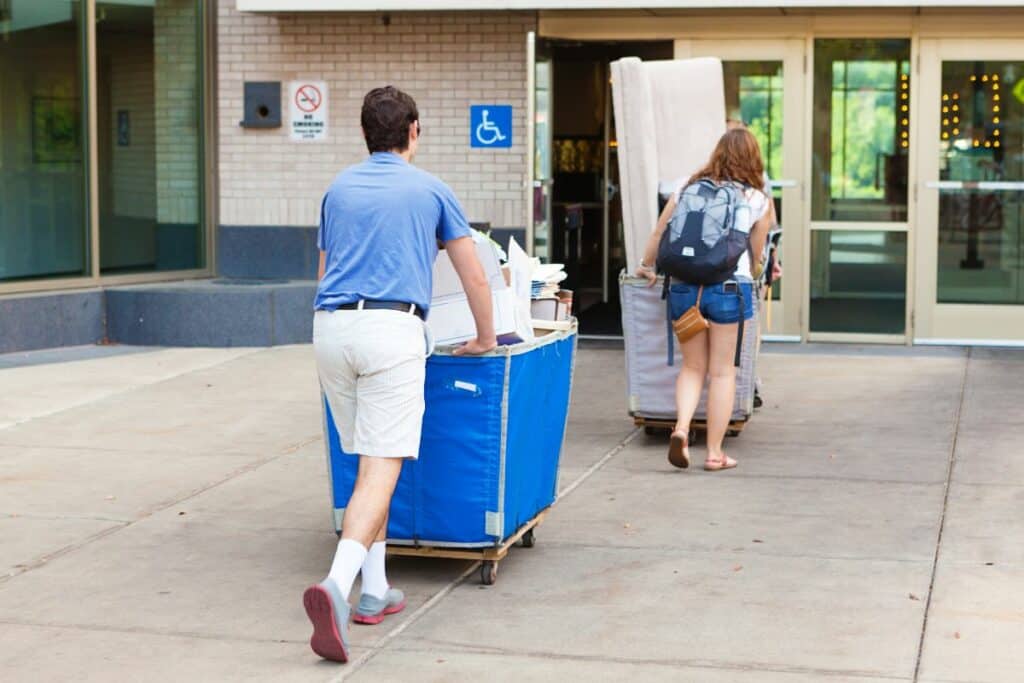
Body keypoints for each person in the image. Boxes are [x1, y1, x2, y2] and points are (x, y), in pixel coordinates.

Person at [304, 86, 497, 663]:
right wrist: (487, 338)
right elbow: (474, 277)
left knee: (367, 463)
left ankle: (376, 588)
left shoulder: (338, 189)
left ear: (365, 133)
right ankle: (337, 587)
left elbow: (323, 271)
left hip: (331, 330)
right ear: (413, 130)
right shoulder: (431, 188)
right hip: (391, 332)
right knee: (381, 470)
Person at [636, 128, 771, 471]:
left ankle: (681, 429)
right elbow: (757, 254)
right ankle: (714, 453)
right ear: (754, 158)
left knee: (692, 367)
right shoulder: (757, 198)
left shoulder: (688, 187)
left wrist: (645, 265)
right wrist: (759, 271)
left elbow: (659, 231)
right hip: (728, 288)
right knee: (723, 372)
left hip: (683, 287)